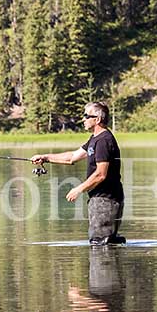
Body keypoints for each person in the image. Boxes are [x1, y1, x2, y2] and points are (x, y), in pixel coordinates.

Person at [31, 101, 125, 244]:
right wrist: (45, 157)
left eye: (86, 116)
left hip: (106, 200)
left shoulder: (104, 141)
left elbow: (101, 174)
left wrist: (79, 189)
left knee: (100, 244)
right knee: (104, 243)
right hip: (100, 199)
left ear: (97, 119)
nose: (83, 119)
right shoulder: (95, 139)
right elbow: (72, 157)